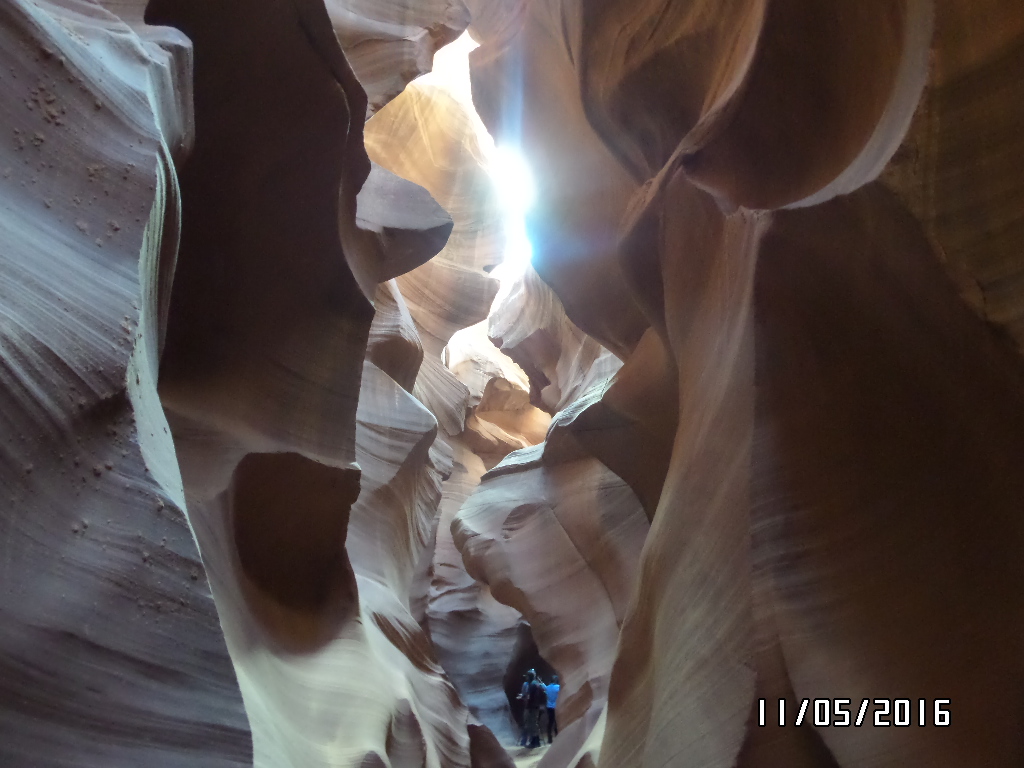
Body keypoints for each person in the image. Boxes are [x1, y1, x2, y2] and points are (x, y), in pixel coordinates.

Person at [518, 669, 546, 748]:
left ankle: (535, 742)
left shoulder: (532, 685)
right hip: (536, 707)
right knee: (533, 724)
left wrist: (528, 705)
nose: (526, 678)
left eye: (527, 677)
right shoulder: (536, 684)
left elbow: (530, 698)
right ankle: (535, 741)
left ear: (529, 677)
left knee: (532, 724)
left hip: (532, 707)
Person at [545, 674, 560, 744]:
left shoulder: (547, 687)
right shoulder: (558, 687)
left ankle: (549, 738)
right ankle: (558, 736)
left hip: (549, 706)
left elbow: (544, 687)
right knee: (557, 722)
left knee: (550, 722)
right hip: (556, 706)